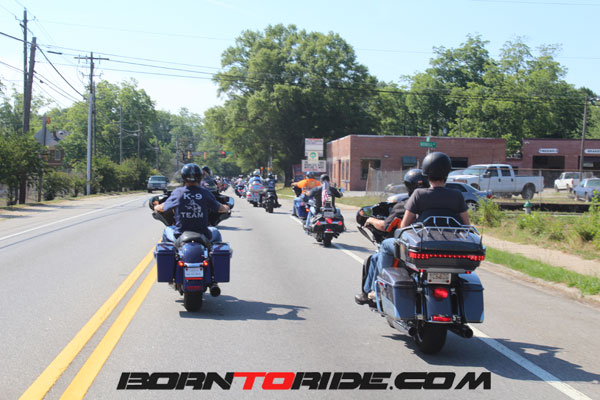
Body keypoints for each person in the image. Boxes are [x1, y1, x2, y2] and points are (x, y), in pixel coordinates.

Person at [355, 153, 469, 306]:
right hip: (451, 248)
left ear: (426, 174)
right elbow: (466, 225)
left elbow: (403, 227)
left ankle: (380, 288)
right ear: (447, 173)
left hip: (424, 246)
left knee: (387, 245)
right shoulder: (457, 195)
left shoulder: (419, 194)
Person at [155, 163, 230, 244]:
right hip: (203, 234)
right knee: (215, 231)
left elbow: (162, 208)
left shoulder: (178, 193)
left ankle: (169, 252)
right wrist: (227, 207)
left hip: (180, 235)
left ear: (183, 177)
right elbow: (220, 209)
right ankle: (213, 251)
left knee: (166, 230)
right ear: (200, 177)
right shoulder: (205, 193)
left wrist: (156, 206)